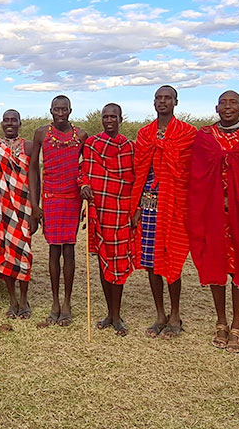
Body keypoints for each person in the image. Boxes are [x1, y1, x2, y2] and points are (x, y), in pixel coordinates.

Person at [187, 90, 239, 353]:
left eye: (233, 103)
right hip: (212, 214)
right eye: (223, 103)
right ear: (216, 108)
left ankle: (237, 324)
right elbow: (197, 175)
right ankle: (220, 321)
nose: (228, 107)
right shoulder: (204, 137)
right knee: (215, 263)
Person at [130, 85, 197, 338]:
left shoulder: (188, 134)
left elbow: (192, 173)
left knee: (173, 260)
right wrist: (135, 207)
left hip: (175, 205)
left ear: (176, 102)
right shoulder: (145, 134)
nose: (162, 101)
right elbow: (139, 172)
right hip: (148, 205)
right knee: (150, 261)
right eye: (158, 98)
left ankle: (176, 315)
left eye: (167, 97)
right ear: (153, 102)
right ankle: (160, 314)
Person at [78, 104, 139, 336]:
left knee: (118, 264)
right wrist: (83, 185)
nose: (109, 120)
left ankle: (117, 314)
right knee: (103, 262)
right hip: (99, 212)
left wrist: (136, 211)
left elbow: (136, 179)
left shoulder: (129, 147)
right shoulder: (92, 144)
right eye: (105, 117)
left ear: (121, 119)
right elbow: (82, 170)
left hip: (122, 212)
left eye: (113, 116)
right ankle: (109, 314)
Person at [29, 95, 88, 327]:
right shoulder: (41, 133)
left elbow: (87, 165)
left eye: (64, 109)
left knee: (69, 250)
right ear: (50, 110)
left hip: (72, 199)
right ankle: (54, 302)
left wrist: (85, 188)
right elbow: (34, 168)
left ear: (71, 110)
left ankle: (67, 302)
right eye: (56, 109)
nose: (60, 113)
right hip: (51, 199)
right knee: (54, 250)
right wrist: (35, 204)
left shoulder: (81, 135)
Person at [0, 110, 36, 319]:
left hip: (24, 208)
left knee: (23, 252)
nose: (9, 124)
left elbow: (35, 179)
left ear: (20, 123)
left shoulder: (30, 146)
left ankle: (24, 300)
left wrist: (35, 208)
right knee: (5, 251)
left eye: (13, 120)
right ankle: (12, 300)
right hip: (2, 208)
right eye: (6, 120)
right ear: (1, 123)